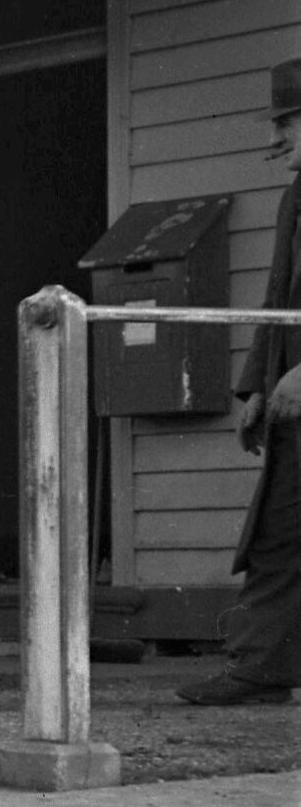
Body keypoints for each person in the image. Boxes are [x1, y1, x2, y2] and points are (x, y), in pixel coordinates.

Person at [181, 57, 301, 706]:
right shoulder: (294, 197)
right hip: (291, 403)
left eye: (287, 120)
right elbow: (278, 294)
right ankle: (260, 668)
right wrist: (258, 383)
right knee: (279, 534)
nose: (277, 137)